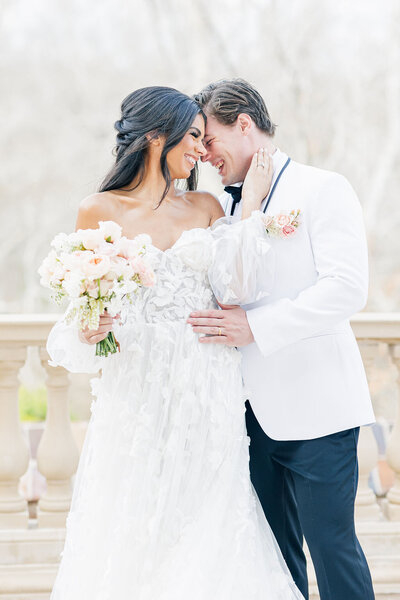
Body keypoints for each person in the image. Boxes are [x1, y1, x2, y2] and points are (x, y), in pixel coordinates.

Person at [46, 86, 304, 599]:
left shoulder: (208, 205)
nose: (200, 151)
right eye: (191, 137)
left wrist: (250, 205)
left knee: (210, 518)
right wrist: (91, 328)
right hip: (137, 394)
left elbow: (240, 284)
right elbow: (80, 317)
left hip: (208, 390)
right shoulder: (97, 211)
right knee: (136, 517)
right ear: (155, 136)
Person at [190, 78, 376, 600]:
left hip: (319, 411)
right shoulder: (218, 208)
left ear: (244, 124)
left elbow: (346, 289)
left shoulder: (323, 188)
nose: (203, 154)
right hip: (245, 418)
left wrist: (257, 328)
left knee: (332, 549)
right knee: (271, 563)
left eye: (209, 138)